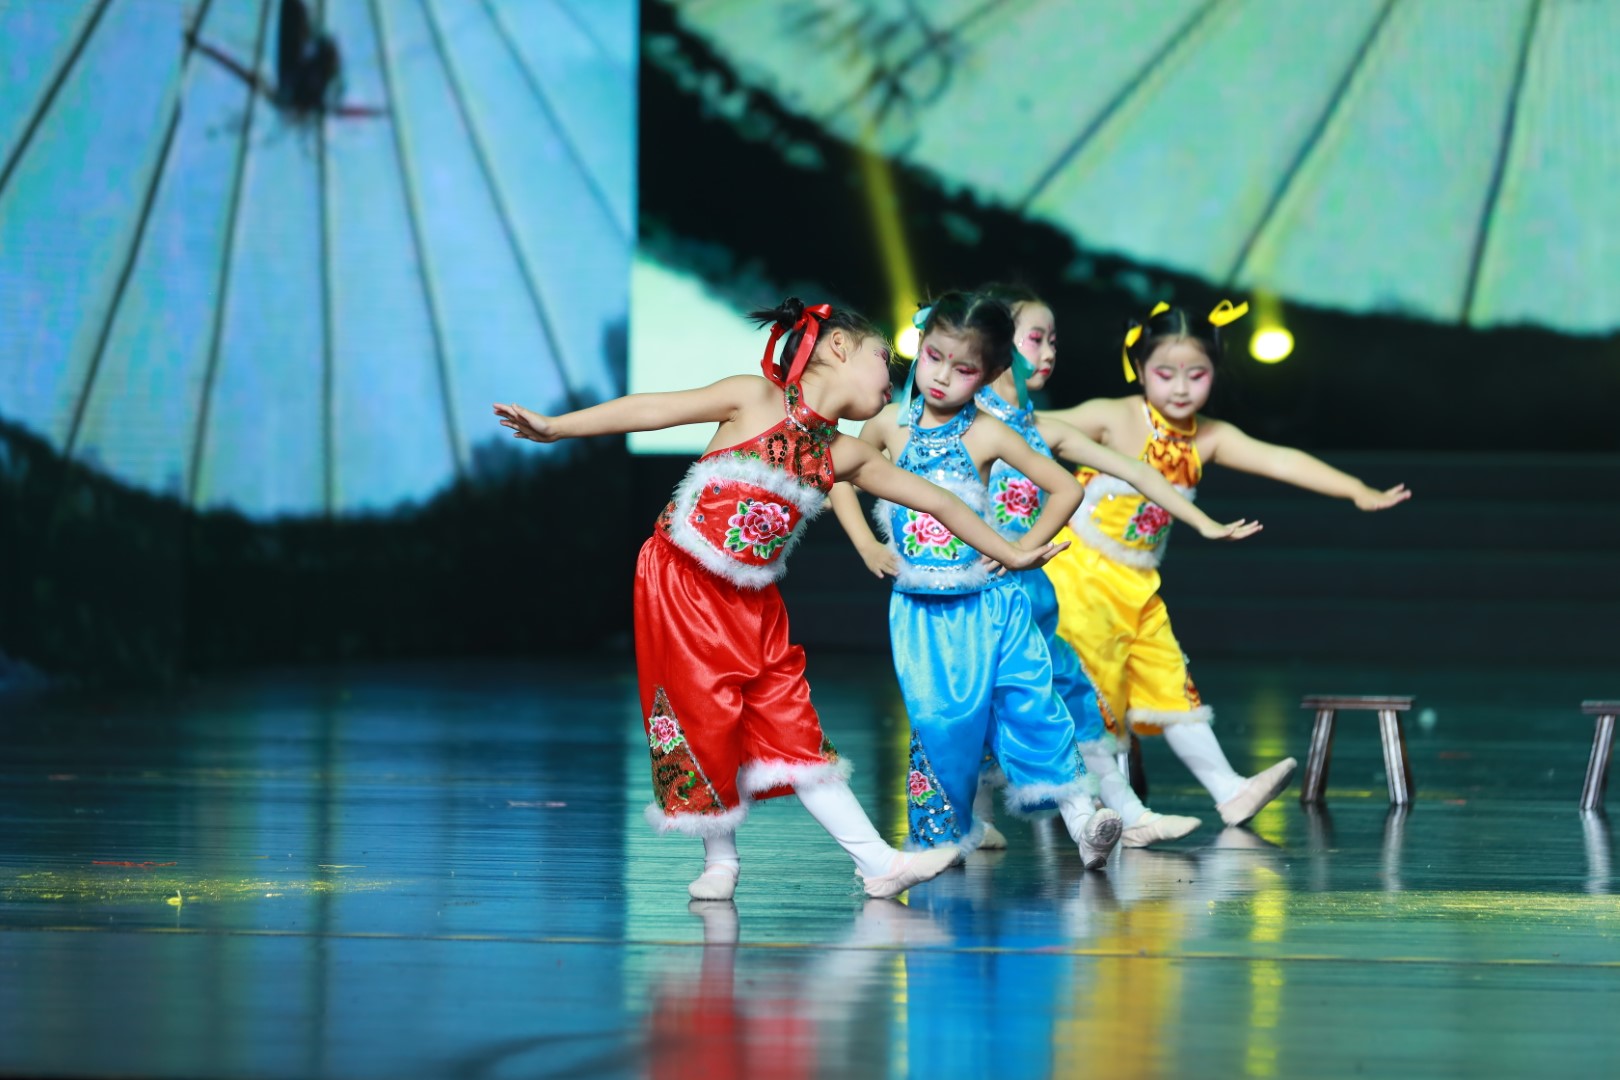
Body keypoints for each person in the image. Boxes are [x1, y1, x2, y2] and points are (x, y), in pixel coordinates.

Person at [495, 298, 1066, 901]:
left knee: (794, 724)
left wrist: (1012, 552)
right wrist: (557, 427)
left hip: (754, 604)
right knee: (703, 716)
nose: (893, 377)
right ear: (839, 347)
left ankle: (878, 863)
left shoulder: (844, 452)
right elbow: (653, 409)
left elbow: (939, 502)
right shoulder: (754, 398)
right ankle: (720, 859)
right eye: (884, 358)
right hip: (683, 584)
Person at [830, 292, 1255, 865]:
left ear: (988, 370)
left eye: (964, 368)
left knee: (1040, 705)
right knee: (944, 724)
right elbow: (838, 473)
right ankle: (949, 835)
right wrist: (865, 543)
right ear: (922, 347)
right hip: (922, 609)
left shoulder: (997, 432)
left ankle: (1090, 819)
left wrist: (1019, 550)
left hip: (998, 601)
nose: (943, 376)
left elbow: (1073, 486)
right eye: (934, 358)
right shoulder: (888, 425)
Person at [1041, 300, 1411, 825]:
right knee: (1094, 688)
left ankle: (1228, 789)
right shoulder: (1113, 417)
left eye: (1197, 374)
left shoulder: (1210, 437)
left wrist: (1355, 488)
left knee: (1169, 679)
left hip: (1138, 584)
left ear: (1214, 372)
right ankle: (1104, 808)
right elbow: (1027, 426)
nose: (1181, 388)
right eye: (1165, 373)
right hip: (1078, 577)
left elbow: (1279, 459)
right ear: (1139, 369)